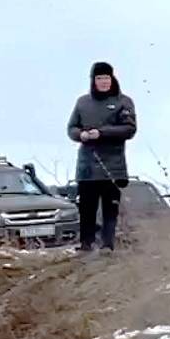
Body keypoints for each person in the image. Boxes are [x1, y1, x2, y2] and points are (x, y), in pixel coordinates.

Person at [66, 60, 137, 253]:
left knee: (109, 209)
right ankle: (86, 244)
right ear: (93, 80)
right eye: (99, 78)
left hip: (112, 166)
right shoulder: (83, 102)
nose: (103, 81)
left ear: (112, 78)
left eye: (106, 77)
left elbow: (129, 129)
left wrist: (102, 133)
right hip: (87, 166)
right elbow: (71, 127)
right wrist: (80, 135)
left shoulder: (123, 101)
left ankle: (108, 244)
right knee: (86, 208)